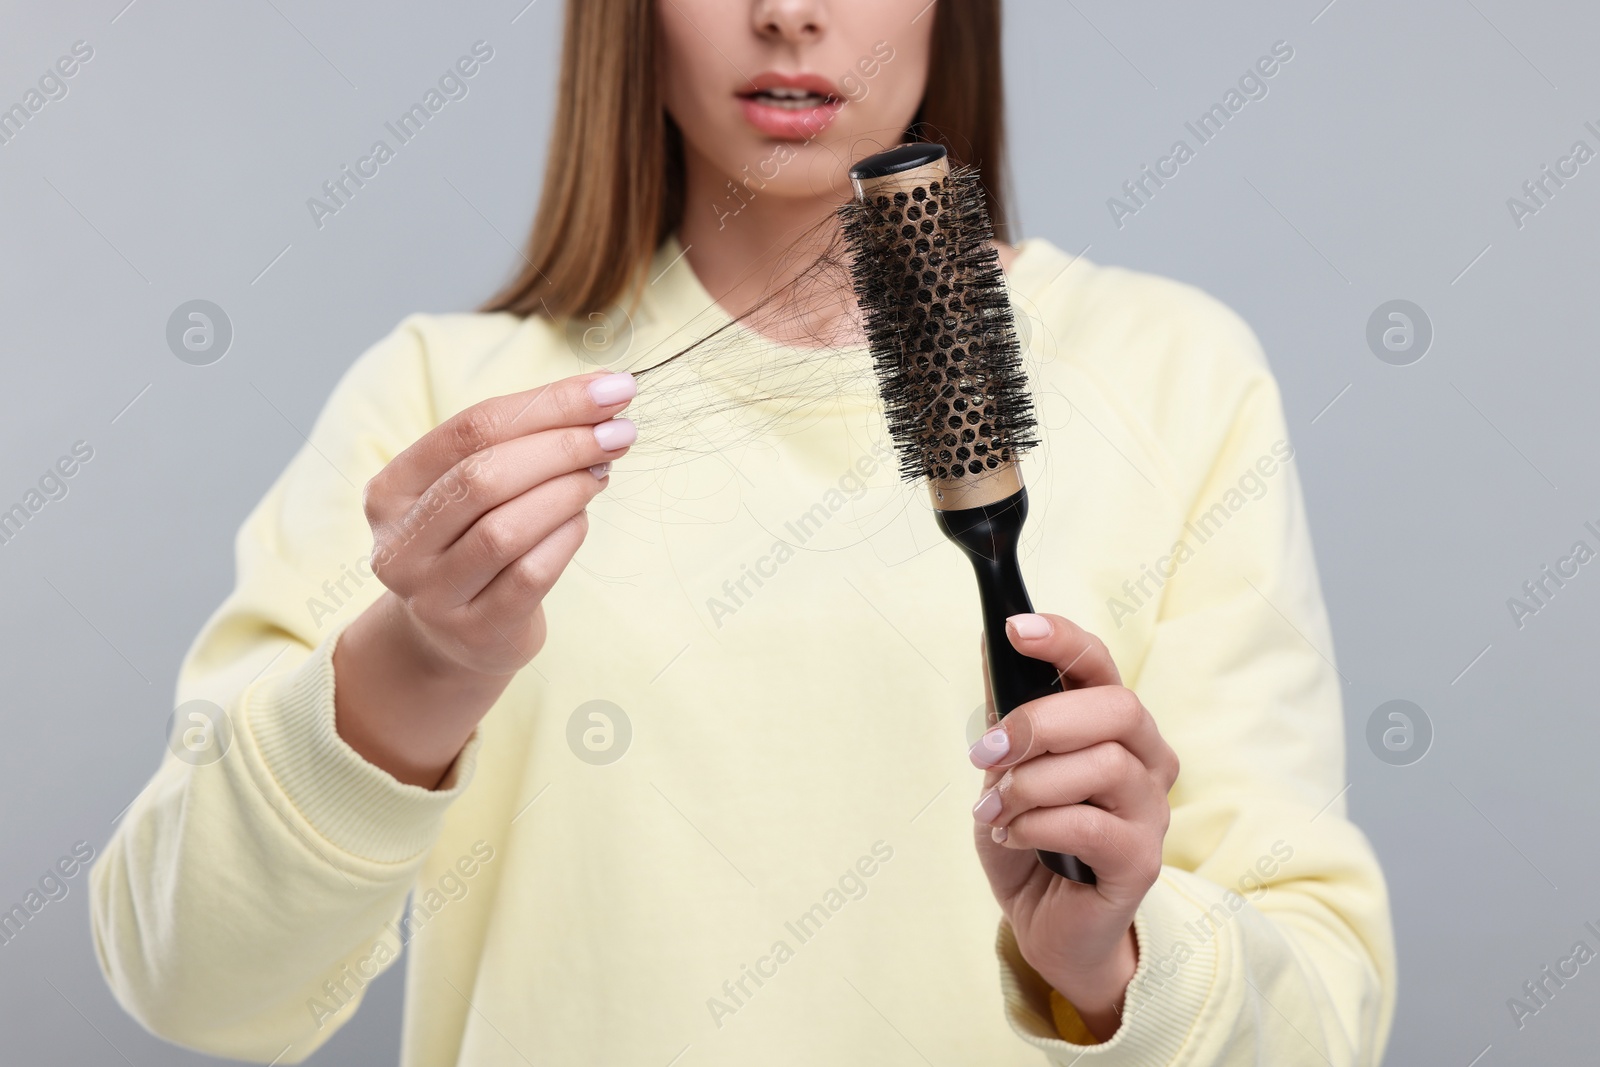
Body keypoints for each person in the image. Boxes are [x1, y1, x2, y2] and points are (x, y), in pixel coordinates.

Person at [90, 1, 1395, 1063]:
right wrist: (420, 663)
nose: (790, 15)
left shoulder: (1174, 375)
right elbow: (196, 986)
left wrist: (1112, 967)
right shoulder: (444, 410)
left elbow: (1325, 1010)